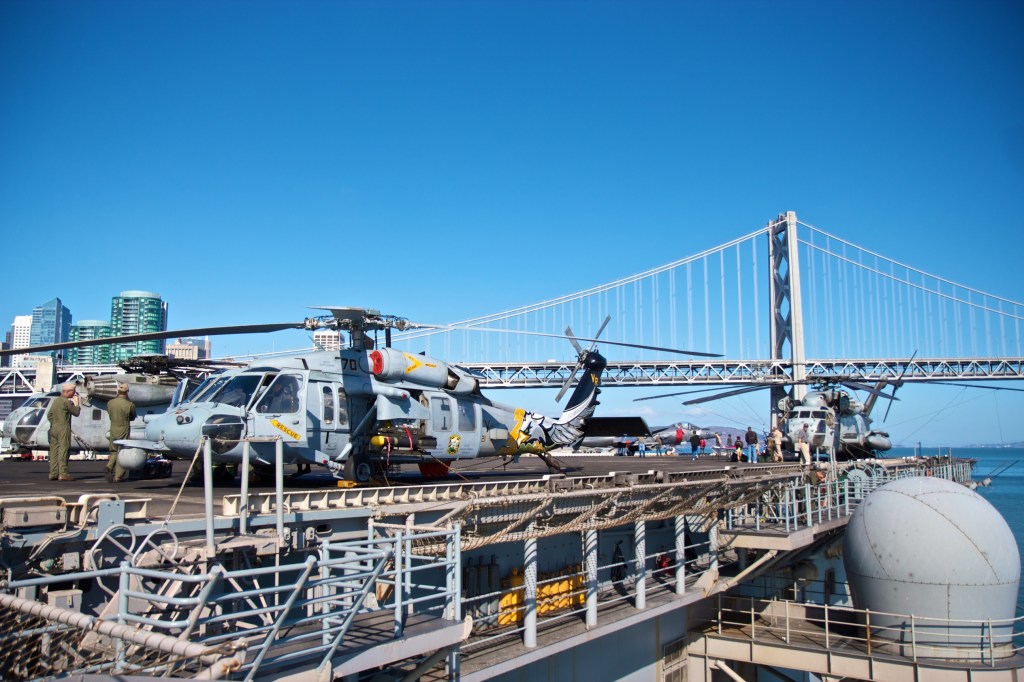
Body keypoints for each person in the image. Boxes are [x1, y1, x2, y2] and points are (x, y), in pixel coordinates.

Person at [47, 382, 81, 481]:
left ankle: (53, 473)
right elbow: (76, 413)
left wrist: (54, 423)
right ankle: (63, 474)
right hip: (63, 427)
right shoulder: (66, 402)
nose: (74, 394)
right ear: (68, 392)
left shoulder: (56, 401)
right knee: (64, 450)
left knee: (54, 451)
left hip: (54, 428)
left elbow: (49, 415)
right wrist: (77, 403)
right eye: (73, 392)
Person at [106, 384, 137, 483]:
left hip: (113, 428)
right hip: (123, 428)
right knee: (122, 452)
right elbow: (132, 417)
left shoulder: (110, 403)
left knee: (114, 451)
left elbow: (110, 414)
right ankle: (118, 476)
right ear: (127, 392)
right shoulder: (129, 405)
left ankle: (109, 467)